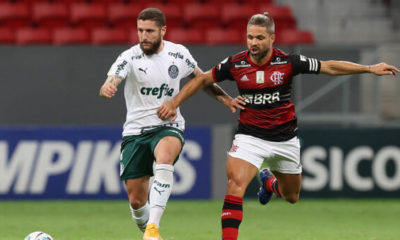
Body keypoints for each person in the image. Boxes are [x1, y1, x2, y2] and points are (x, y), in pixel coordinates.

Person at [157, 12, 399, 240]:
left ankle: (270, 183)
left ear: (272, 38)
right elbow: (202, 78)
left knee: (292, 196)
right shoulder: (235, 64)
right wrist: (175, 102)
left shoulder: (288, 62)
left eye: (260, 38)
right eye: (250, 37)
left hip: (285, 139)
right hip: (249, 137)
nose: (253, 42)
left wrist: (369, 68)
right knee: (235, 185)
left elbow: (329, 66)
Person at [99, 8, 239, 240]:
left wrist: (225, 99)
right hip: (135, 131)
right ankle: (150, 234)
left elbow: (201, 79)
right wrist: (107, 88)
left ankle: (153, 226)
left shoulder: (179, 54)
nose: (144, 36)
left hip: (168, 126)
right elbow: (112, 79)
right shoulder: (129, 57)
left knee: (164, 159)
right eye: (140, 30)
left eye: (150, 31)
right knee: (136, 201)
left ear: (163, 30)